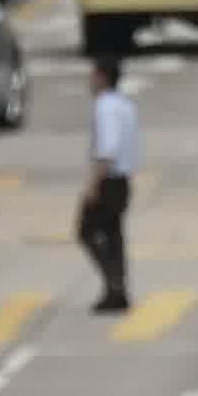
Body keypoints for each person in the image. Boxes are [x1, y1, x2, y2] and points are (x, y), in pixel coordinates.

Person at [79, 59, 143, 314]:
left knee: (86, 231)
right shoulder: (125, 105)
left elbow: (108, 148)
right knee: (114, 236)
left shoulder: (104, 106)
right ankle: (117, 291)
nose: (90, 81)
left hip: (108, 179)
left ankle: (114, 284)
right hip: (123, 180)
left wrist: (94, 184)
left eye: (93, 76)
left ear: (102, 76)